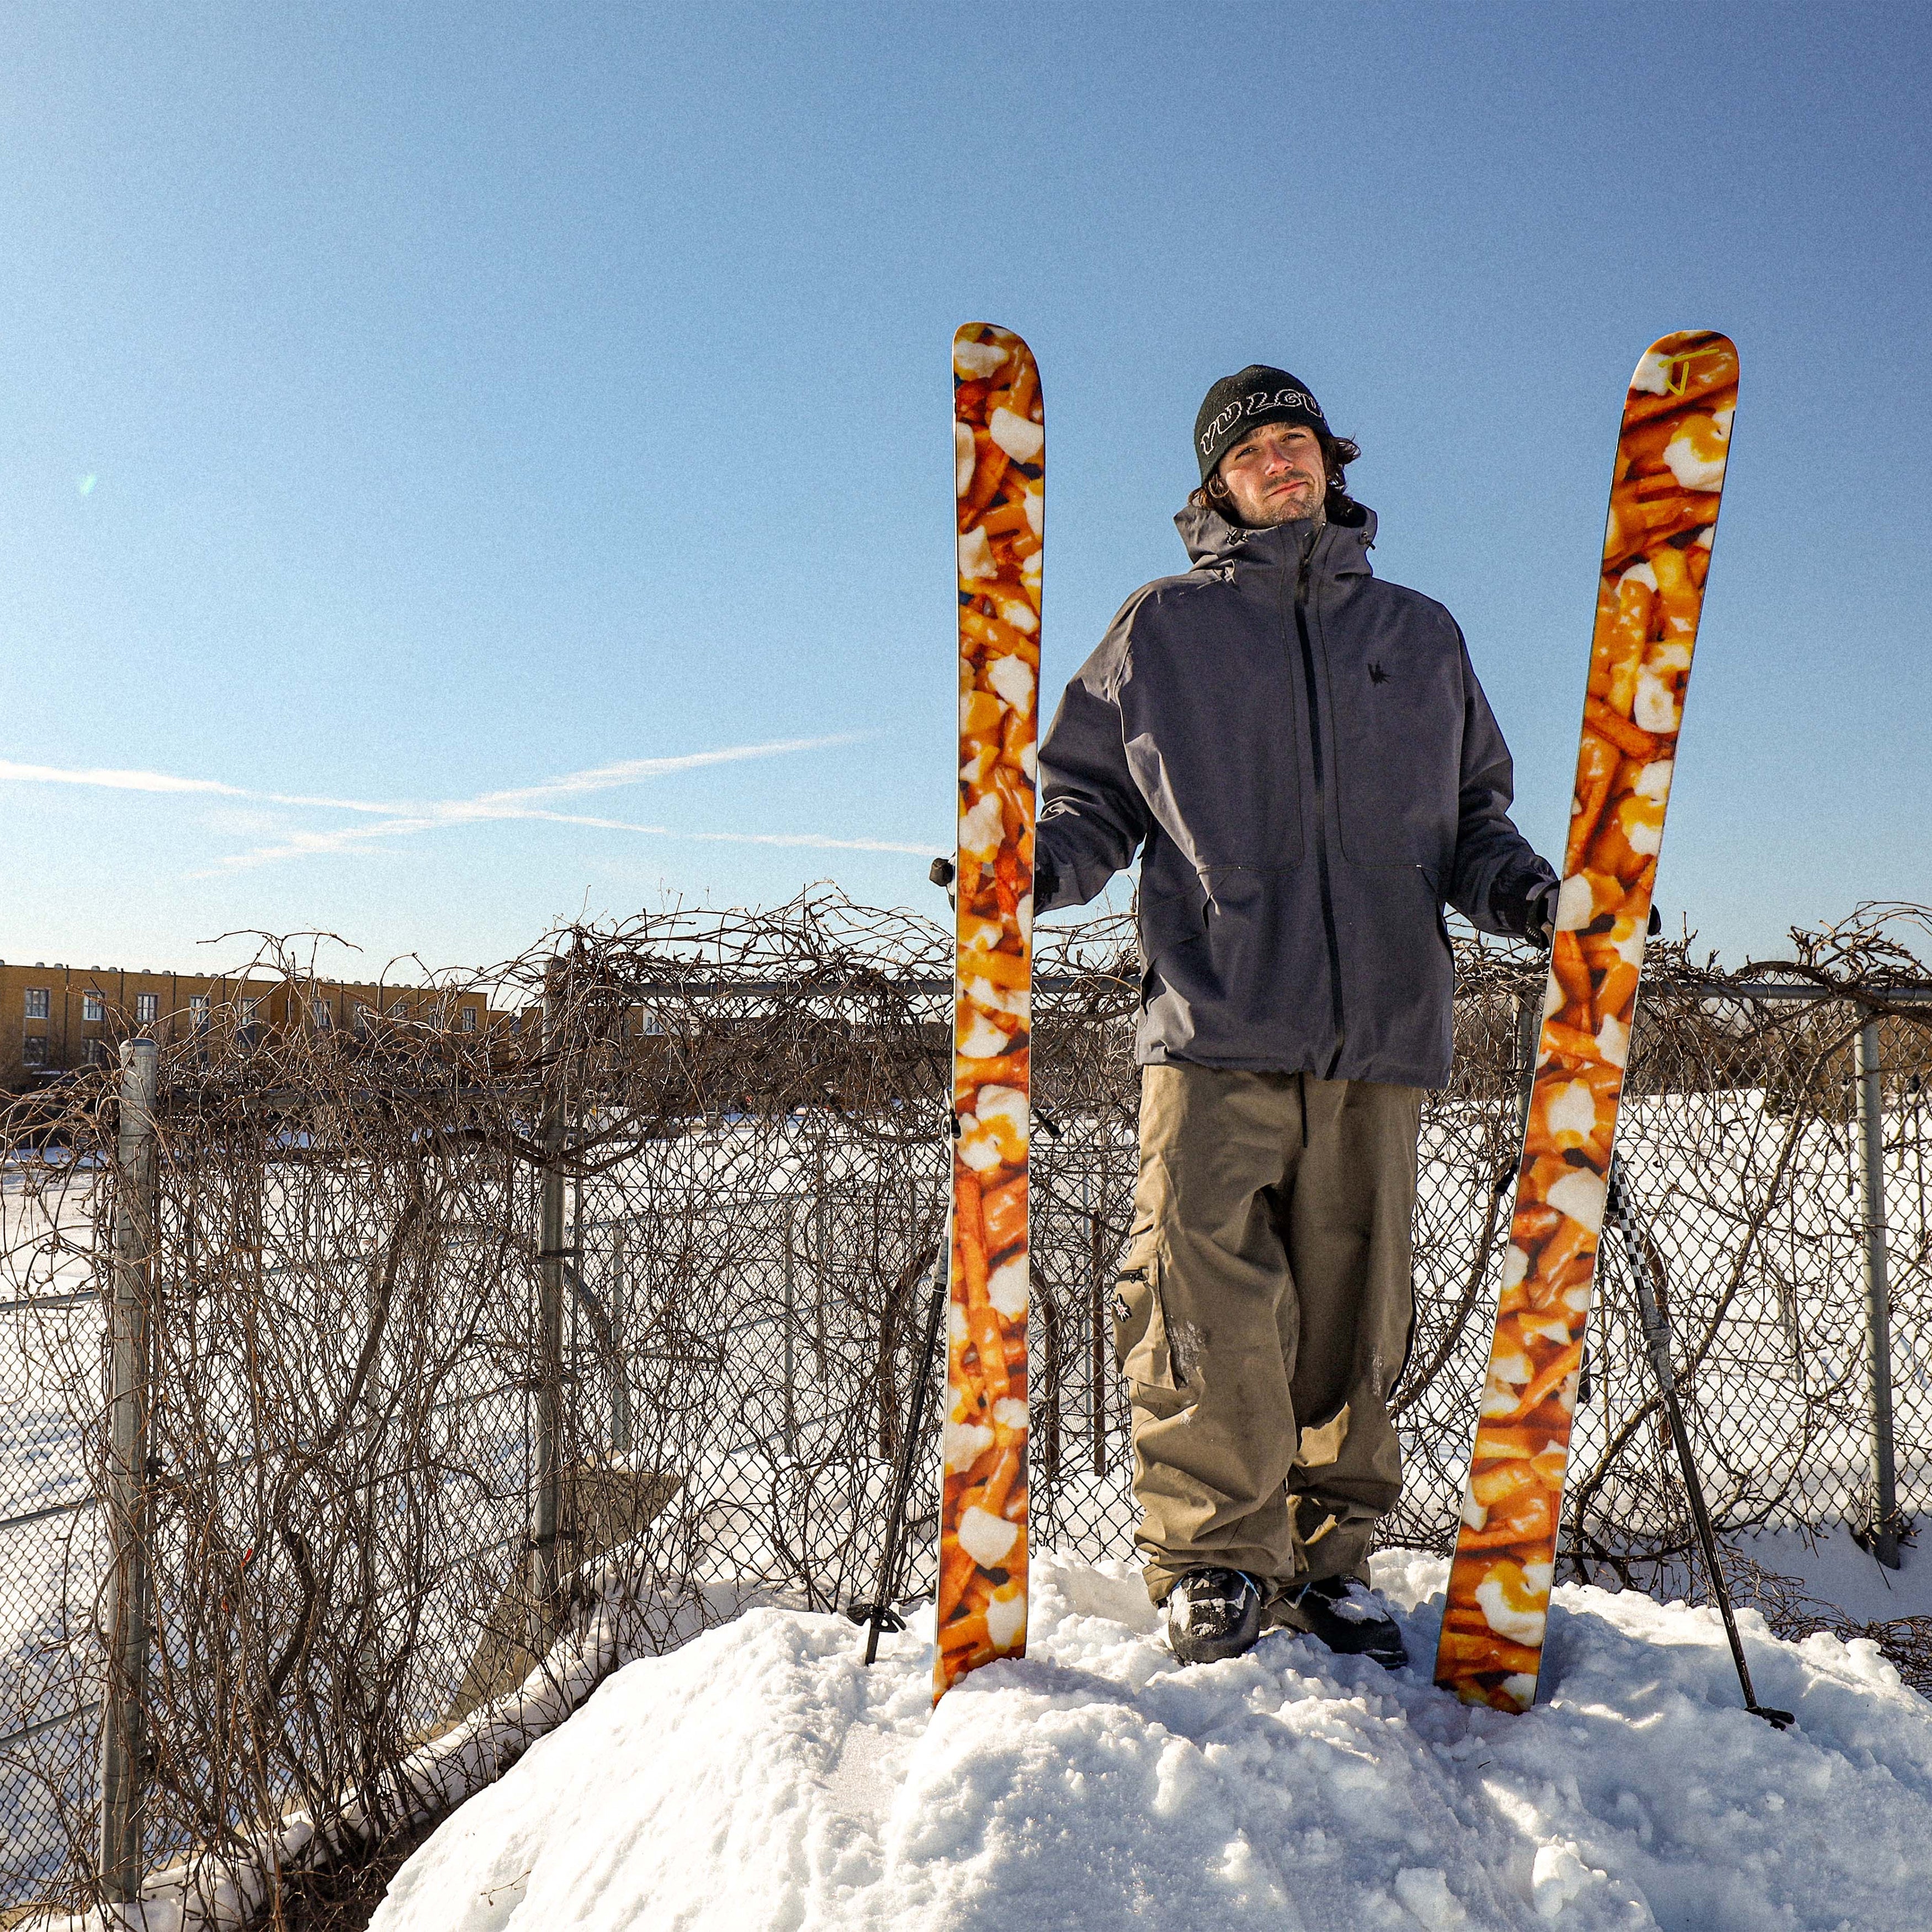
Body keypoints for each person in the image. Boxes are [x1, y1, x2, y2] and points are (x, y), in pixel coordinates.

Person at [1029, 365, 1558, 1669]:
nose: (1281, 461)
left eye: (1298, 441)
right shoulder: (1161, 629)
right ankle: (1216, 1555)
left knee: (1351, 1313)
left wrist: (1534, 896)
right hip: (1216, 1019)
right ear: (1215, 485)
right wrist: (1026, 871)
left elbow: (1473, 822)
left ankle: (1328, 1559)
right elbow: (1087, 800)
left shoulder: (1420, 635)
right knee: (1199, 1295)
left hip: (1379, 1030)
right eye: (1252, 449)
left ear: (1332, 462)